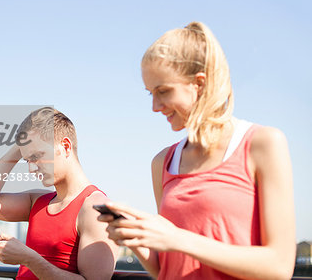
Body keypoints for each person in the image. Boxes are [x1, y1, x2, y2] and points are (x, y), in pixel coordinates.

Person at [99, 22, 296, 279]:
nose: (155, 106)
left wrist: (177, 238)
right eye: (150, 94)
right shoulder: (162, 162)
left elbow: (279, 266)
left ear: (199, 84)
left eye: (163, 91)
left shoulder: (263, 143)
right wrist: (137, 236)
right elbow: (166, 268)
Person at [0, 107, 118, 279]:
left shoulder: (95, 208)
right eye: (27, 160)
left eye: (37, 156)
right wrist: (20, 145)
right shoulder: (37, 202)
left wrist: (29, 259)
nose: (31, 169)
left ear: (66, 146)